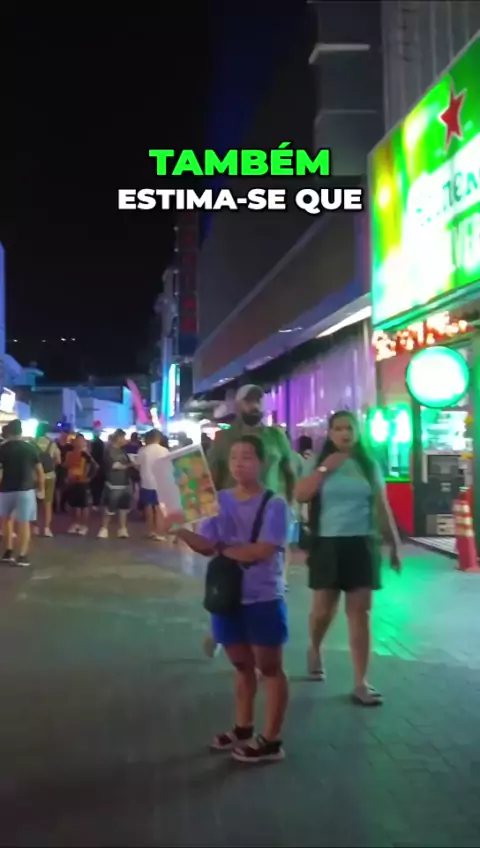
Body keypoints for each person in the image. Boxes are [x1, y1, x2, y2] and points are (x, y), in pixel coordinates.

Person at [171, 435, 289, 763]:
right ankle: (243, 728)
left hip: (263, 596)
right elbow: (205, 544)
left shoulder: (275, 504)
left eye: (247, 457)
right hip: (226, 596)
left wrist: (221, 549)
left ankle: (272, 740)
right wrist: (179, 529)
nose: (239, 463)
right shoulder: (217, 500)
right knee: (241, 665)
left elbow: (262, 551)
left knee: (270, 667)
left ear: (262, 463)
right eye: (235, 457)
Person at [295, 410, 402, 705]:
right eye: (339, 429)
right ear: (330, 434)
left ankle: (360, 682)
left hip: (362, 544)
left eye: (349, 429)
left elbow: (381, 504)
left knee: (360, 613)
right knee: (323, 610)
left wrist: (394, 544)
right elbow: (301, 495)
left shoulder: (368, 464)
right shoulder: (318, 462)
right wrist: (324, 469)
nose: (344, 434)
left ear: (357, 433)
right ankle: (315, 647)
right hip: (327, 544)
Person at [204, 385, 295, 656]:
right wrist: (205, 515)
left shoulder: (276, 437)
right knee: (227, 577)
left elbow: (290, 472)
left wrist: (293, 508)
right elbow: (209, 477)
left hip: (270, 515)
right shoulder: (224, 439)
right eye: (248, 401)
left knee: (270, 581)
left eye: (258, 401)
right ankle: (220, 626)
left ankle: (263, 643)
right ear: (238, 405)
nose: (254, 406)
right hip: (232, 518)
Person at [0, 418, 45, 566]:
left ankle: (8, 551)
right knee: (24, 522)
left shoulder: (2, 448)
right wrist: (41, 489)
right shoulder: (31, 448)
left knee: (6, 520)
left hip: (6, 489)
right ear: (21, 432)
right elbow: (39, 471)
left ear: (9, 432)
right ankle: (22, 555)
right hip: (26, 490)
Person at [97, 428, 132, 539]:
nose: (125, 440)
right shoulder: (109, 451)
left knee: (123, 507)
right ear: (119, 438)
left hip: (124, 483)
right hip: (113, 483)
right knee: (110, 507)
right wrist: (129, 466)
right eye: (124, 437)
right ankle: (104, 528)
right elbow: (114, 465)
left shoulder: (122, 451)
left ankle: (122, 528)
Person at [137, 429, 169, 540]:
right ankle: (160, 533)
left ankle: (150, 531)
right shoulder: (164, 451)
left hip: (146, 482)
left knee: (148, 506)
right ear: (159, 438)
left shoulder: (143, 450)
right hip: (161, 482)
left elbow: (138, 465)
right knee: (159, 507)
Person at [64, 433, 98, 535]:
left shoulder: (85, 454)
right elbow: (66, 465)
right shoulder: (70, 454)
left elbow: (95, 466)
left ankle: (84, 525)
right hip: (73, 482)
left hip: (83, 483)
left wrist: (88, 477)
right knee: (74, 505)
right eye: (76, 441)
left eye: (80, 441)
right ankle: (75, 523)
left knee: (84, 505)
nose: (78, 443)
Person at [33, 422, 61, 537]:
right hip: (49, 476)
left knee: (35, 503)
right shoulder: (52, 444)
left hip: (34, 476)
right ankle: (46, 528)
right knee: (48, 503)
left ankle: (35, 527)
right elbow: (58, 460)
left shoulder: (32, 443)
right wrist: (52, 466)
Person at [89, 432, 106, 509]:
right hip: (101, 468)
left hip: (94, 468)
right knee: (99, 486)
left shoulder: (93, 444)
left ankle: (95, 502)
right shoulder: (101, 444)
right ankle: (97, 502)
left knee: (94, 486)